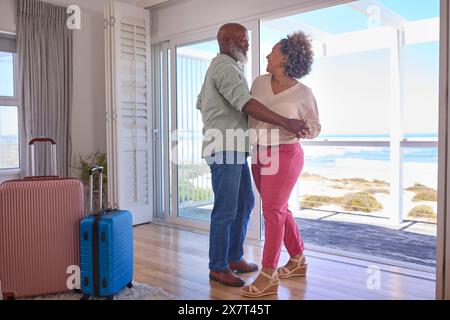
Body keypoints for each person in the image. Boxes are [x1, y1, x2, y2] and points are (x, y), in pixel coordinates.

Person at [196, 23, 310, 287]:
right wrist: (286, 122)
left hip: (233, 146)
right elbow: (246, 104)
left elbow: (201, 101)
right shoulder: (224, 66)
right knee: (226, 209)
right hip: (225, 147)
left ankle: (234, 256)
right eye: (242, 39)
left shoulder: (229, 67)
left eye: (247, 39)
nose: (247, 43)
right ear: (225, 41)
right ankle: (218, 266)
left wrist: (217, 116)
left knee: (245, 202)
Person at [242, 31, 321, 297]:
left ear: (285, 57)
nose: (267, 55)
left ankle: (268, 274)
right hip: (260, 154)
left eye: (272, 51)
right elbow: (251, 112)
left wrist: (306, 129)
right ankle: (298, 258)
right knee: (279, 209)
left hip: (286, 154)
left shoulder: (303, 93)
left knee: (273, 211)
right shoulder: (260, 82)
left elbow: (315, 127)